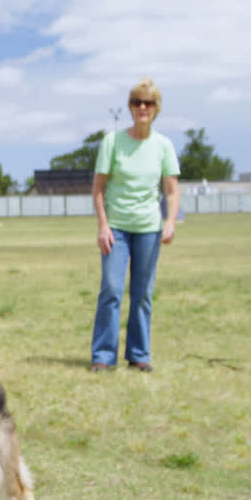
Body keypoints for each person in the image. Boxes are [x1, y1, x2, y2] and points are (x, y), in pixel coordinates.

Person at [89, 78, 180, 373]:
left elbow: (172, 190)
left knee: (142, 293)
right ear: (129, 107)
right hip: (117, 228)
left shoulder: (163, 146)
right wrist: (103, 227)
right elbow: (99, 189)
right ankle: (103, 356)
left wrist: (170, 222)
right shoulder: (112, 142)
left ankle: (139, 354)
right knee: (112, 290)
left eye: (149, 103)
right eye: (137, 102)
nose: (143, 107)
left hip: (149, 230)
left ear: (156, 109)